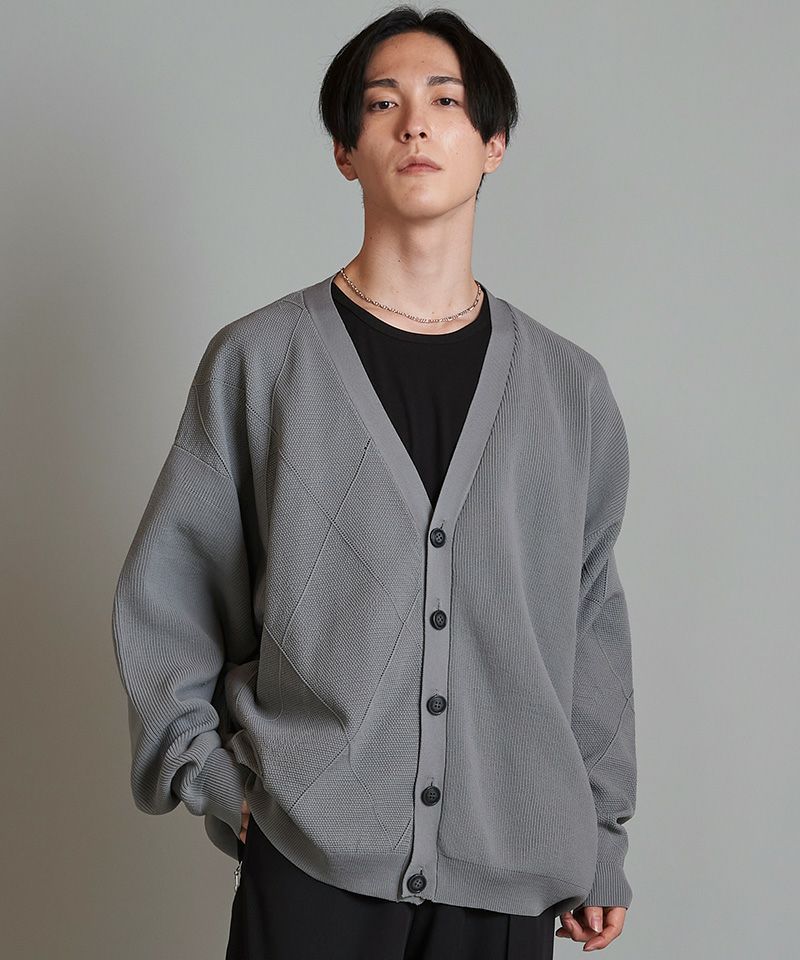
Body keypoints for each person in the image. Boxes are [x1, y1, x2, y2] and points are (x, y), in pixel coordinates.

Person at [112, 6, 637, 959]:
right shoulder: (262, 362)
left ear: (494, 144)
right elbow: (169, 597)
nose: (415, 124)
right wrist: (220, 785)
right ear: (346, 151)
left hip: (510, 867)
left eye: (447, 101)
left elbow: (589, 618)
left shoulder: (570, 389)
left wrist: (600, 834)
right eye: (382, 103)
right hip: (310, 861)